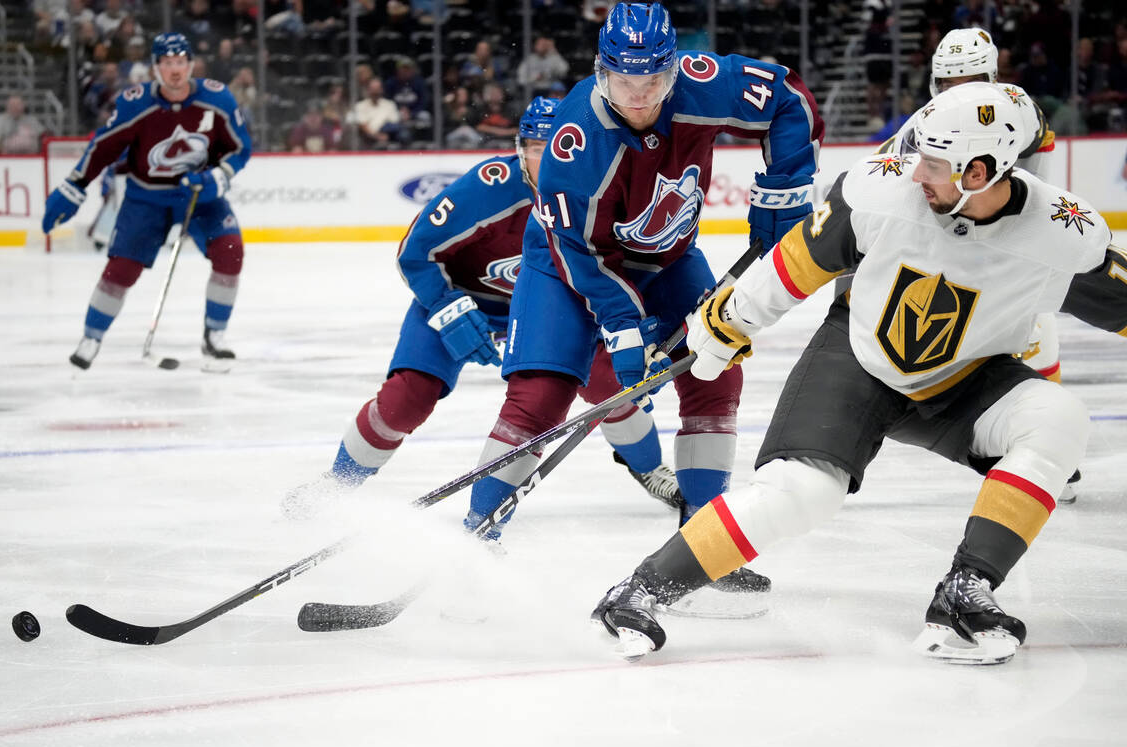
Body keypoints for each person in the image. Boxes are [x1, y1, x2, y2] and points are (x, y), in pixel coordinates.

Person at [592, 83, 1123, 665]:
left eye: (936, 163)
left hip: (969, 380)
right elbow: (799, 261)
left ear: (981, 171)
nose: (917, 170)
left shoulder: (1062, 237)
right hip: (857, 361)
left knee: (1058, 420)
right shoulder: (880, 188)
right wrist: (731, 317)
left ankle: (967, 589)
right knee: (802, 493)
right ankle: (640, 591)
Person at [461, 2, 822, 570]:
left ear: (673, 68)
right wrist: (625, 331)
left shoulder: (704, 85)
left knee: (716, 371)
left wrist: (786, 187)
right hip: (567, 266)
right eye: (624, 80)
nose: (638, 95)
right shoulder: (573, 141)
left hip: (667, 258)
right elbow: (579, 252)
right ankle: (474, 546)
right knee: (540, 398)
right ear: (603, 71)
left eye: (652, 79)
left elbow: (788, 100)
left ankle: (702, 546)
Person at [282, 97, 684, 520]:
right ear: (517, 147)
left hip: (555, 309)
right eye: (534, 147)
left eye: (557, 146)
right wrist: (446, 306)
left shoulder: (606, 189)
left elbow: (627, 264)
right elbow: (415, 252)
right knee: (407, 397)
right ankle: (336, 484)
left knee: (612, 384)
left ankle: (649, 467)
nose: (545, 159)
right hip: (466, 300)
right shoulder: (489, 188)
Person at [876, 26, 1079, 501]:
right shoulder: (924, 126)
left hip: (1008, 242)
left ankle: (1048, 449)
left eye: (970, 79)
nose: (960, 92)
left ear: (990, 75)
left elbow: (1037, 178)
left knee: (1035, 335)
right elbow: (888, 178)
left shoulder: (1021, 111)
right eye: (950, 84)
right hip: (951, 249)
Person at [41, 32, 252, 371]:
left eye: (181, 62)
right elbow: (102, 147)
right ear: (155, 67)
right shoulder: (135, 103)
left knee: (231, 252)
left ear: (191, 64)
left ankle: (214, 336)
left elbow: (241, 148)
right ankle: (92, 336)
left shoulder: (218, 99)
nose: (175, 70)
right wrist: (74, 186)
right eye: (167, 63)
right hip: (146, 198)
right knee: (121, 269)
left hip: (199, 195)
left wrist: (217, 177)